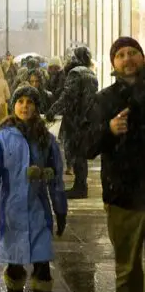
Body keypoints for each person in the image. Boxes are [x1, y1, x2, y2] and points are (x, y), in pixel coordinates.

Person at [0, 85, 67, 292]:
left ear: (37, 107)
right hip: (12, 213)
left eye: (30, 102)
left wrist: (60, 209)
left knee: (42, 266)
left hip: (38, 212)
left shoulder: (46, 139)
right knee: (15, 265)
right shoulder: (2, 137)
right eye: (20, 101)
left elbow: (57, 177)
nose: (25, 106)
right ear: (14, 104)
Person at [85, 37, 145, 292]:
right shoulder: (104, 99)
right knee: (128, 263)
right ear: (113, 63)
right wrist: (108, 130)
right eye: (120, 55)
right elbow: (88, 146)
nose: (127, 59)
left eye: (133, 52)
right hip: (123, 194)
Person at [47, 45, 98, 199]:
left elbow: (67, 96)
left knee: (76, 153)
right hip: (87, 119)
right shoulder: (91, 73)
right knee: (81, 152)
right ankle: (81, 185)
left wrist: (52, 111)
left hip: (75, 120)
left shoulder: (75, 74)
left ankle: (80, 187)